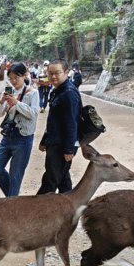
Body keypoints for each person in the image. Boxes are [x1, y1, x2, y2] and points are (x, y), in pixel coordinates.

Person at [0, 62, 40, 196]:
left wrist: (17, 103)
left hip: (23, 138)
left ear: (24, 75)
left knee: (15, 176)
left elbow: (33, 113)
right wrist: (1, 102)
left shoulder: (32, 93)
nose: (13, 81)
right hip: (7, 136)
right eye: (10, 78)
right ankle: (13, 199)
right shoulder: (10, 92)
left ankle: (12, 202)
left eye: (15, 78)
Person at [37, 59, 82, 195]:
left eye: (57, 73)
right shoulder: (57, 91)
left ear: (66, 73)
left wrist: (69, 149)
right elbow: (53, 120)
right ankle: (70, 212)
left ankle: (35, 212)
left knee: (50, 181)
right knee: (63, 180)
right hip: (55, 141)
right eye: (50, 73)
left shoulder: (69, 94)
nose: (53, 77)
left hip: (62, 145)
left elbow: (72, 123)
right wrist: (45, 140)